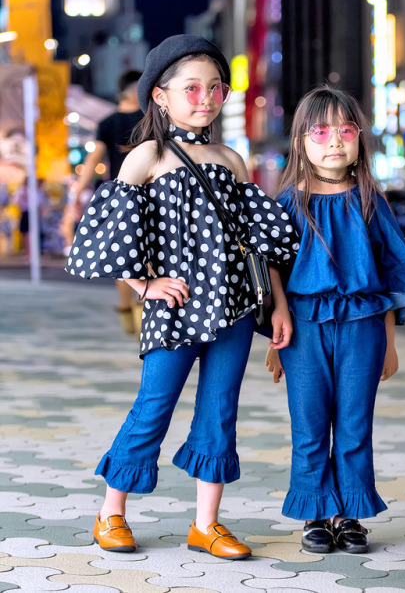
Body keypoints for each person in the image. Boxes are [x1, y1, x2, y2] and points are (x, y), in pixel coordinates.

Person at [66, 34, 299, 559]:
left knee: (220, 411)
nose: (205, 98)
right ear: (160, 96)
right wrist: (145, 285)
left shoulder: (232, 159)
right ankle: (111, 514)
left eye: (215, 88)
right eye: (191, 88)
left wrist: (278, 304)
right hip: (174, 309)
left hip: (235, 307)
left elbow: (259, 243)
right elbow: (112, 234)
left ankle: (206, 524)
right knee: (154, 406)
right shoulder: (147, 154)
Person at [265, 85, 405, 555]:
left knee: (353, 424)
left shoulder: (369, 200)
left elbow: (388, 274)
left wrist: (390, 342)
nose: (334, 142)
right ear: (301, 140)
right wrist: (274, 335)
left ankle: (349, 516)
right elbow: (271, 272)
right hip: (302, 328)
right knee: (308, 424)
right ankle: (314, 514)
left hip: (364, 327)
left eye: (345, 130)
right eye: (320, 132)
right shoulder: (287, 203)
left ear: (360, 138)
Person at [71, 70, 144, 334]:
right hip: (148, 194)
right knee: (143, 255)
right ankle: (137, 310)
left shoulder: (108, 121)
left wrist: (77, 195)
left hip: (122, 196)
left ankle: (129, 310)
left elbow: (93, 160)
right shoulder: (150, 118)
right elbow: (93, 160)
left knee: (123, 254)